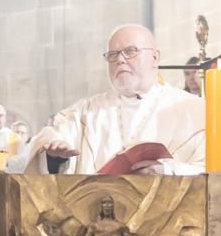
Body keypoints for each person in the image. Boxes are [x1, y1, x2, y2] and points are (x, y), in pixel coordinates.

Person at [13, 24, 205, 175]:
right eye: (112, 55)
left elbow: (216, 173)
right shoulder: (86, 112)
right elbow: (51, 138)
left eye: (130, 51)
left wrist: (168, 171)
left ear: (155, 57)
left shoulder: (194, 110)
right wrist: (54, 158)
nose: (120, 60)